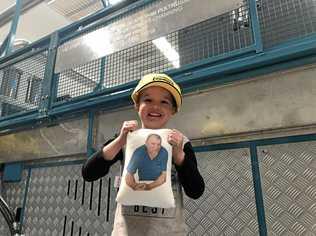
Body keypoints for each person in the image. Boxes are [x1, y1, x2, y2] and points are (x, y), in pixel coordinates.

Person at [82, 73, 205, 236]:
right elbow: (88, 173)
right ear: (136, 105)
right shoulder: (126, 139)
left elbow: (196, 191)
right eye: (147, 100)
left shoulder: (181, 143)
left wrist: (179, 157)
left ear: (173, 109)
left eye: (164, 102)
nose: (155, 107)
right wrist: (120, 140)